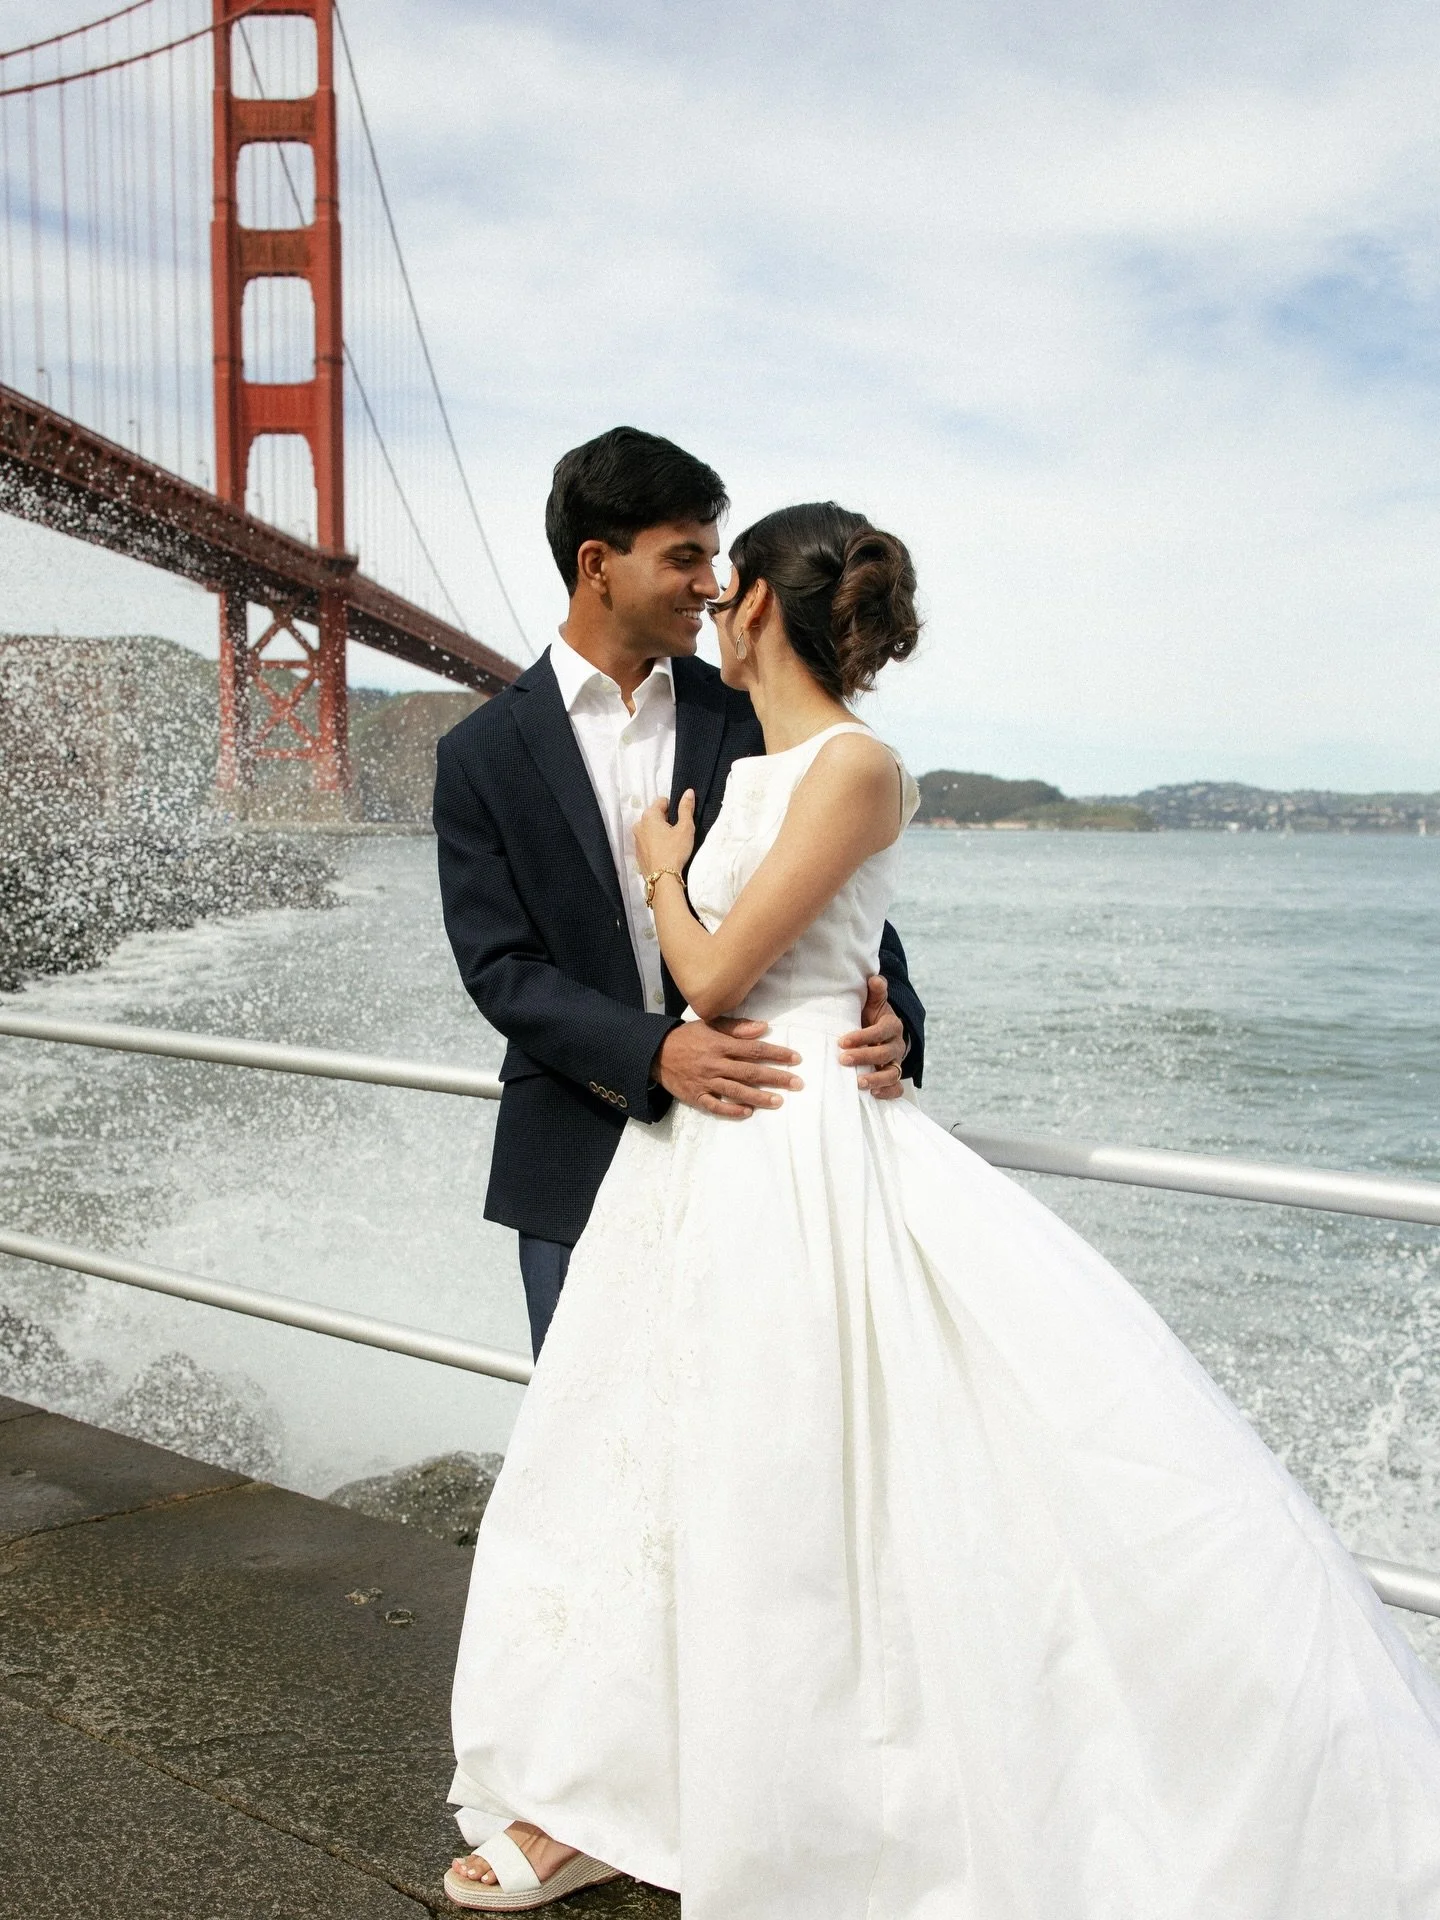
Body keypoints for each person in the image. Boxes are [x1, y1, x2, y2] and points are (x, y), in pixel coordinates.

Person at [445, 502, 1440, 1918]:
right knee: (663, 1474)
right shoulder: (731, 761)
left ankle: (831, 1803)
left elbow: (734, 977)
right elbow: (621, 964)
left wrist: (693, 898)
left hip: (799, 1156)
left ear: (767, 615)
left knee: (811, 1488)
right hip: (699, 1164)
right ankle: (620, 1789)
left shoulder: (847, 763)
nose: (716, 598)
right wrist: (716, 934)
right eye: (692, 565)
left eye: (733, 581)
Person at [433, 428, 925, 1360]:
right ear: (597, 565)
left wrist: (896, 1014)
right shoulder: (480, 754)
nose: (712, 585)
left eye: (716, 556)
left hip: (766, 1145)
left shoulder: (750, 708)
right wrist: (656, 1052)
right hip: (575, 1143)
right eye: (685, 557)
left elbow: (843, 899)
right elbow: (500, 970)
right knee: (591, 1440)